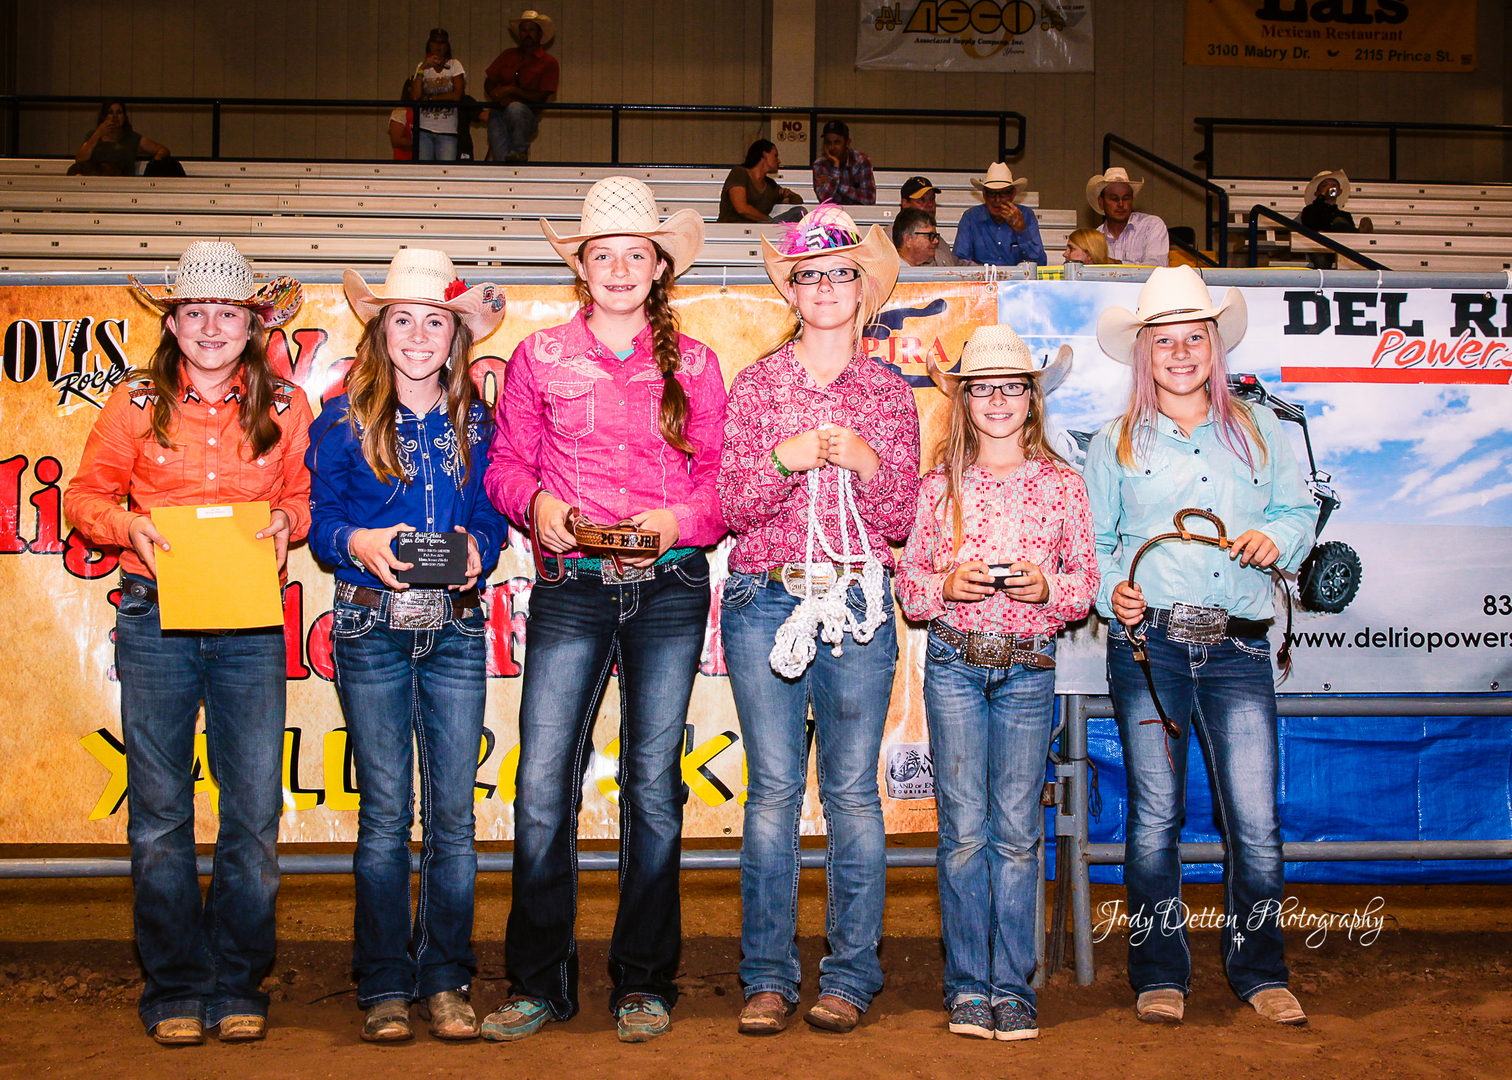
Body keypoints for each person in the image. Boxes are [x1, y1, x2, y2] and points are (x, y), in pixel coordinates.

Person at [482, 177, 727, 1045]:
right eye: (603, 255)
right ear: (580, 268)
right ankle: (540, 981)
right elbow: (506, 465)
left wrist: (676, 522)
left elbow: (717, 490)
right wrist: (536, 505)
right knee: (543, 781)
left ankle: (644, 981)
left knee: (653, 786)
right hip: (570, 585)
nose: (620, 268)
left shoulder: (694, 364)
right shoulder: (538, 359)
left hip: (668, 587)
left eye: (636, 255)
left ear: (659, 268)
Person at [63, 242, 311, 1046]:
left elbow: (303, 497)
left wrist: (286, 521)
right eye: (197, 311)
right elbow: (84, 496)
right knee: (161, 816)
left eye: (228, 313)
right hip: (152, 617)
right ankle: (174, 984)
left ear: (252, 324)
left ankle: (238, 981)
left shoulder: (287, 407)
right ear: (173, 321)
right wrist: (126, 523)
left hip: (247, 626)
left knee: (250, 815)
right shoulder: (134, 403)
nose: (212, 326)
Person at [1082, 266, 1318, 1028]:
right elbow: (1098, 543)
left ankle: (1260, 969)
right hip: (1147, 648)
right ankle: (1159, 972)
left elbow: (1298, 512)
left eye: (1193, 337)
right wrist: (1110, 592)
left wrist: (1273, 537)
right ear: (1143, 352)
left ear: (1213, 347)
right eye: (1165, 340)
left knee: (1254, 819)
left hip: (1238, 649)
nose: (1180, 352)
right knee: (1154, 819)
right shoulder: (1115, 442)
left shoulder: (1261, 429)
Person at [719, 206, 920, 1036]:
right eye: (812, 275)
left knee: (850, 796)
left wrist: (868, 463)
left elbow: (903, 514)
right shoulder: (759, 385)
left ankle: (849, 973)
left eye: (841, 273)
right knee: (771, 795)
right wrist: (783, 457)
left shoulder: (887, 390)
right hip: (768, 594)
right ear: (793, 290)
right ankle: (767, 975)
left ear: (864, 290)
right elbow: (735, 501)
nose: (828, 287)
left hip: (859, 600)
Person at [306, 249, 508, 1043]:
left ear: (454, 334)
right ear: (379, 329)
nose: (418, 335)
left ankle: (446, 979)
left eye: (434, 321)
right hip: (367, 624)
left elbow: (493, 515)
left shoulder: (478, 421)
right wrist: (359, 540)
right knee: (387, 815)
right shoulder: (340, 417)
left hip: (455, 624)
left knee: (453, 818)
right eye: (402, 319)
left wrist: (479, 549)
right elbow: (319, 522)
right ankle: (385, 983)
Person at [896, 324, 1097, 1042]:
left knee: (1015, 833)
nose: (998, 400)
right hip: (953, 660)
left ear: (1032, 399)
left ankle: (1011, 986)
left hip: (1028, 667)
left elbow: (1085, 588)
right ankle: (966, 987)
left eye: (1012, 387)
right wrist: (948, 582)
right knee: (963, 833)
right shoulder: (937, 486)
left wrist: (1047, 588)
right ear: (965, 399)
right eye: (983, 389)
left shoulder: (1062, 485)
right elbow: (912, 590)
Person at [485, 9, 560, 164]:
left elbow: (542, 96)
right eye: (523, 30)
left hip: (527, 115)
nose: (527, 33)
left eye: (531, 30)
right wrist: (498, 96)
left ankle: (519, 153)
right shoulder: (507, 54)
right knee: (500, 159)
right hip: (500, 111)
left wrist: (511, 90)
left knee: (516, 109)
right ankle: (505, 171)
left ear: (540, 34)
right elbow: (489, 81)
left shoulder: (549, 62)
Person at [953, 163, 1045, 267]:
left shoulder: (1026, 216)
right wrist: (984, 272)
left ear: (1013, 194)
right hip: (982, 280)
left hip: (1017, 282)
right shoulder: (971, 218)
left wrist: (1021, 231)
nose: (997, 200)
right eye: (991, 193)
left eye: (1003, 193)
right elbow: (959, 261)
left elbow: (1040, 263)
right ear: (984, 194)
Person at [1087, 167, 1169, 267]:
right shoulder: (1095, 238)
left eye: (1126, 199)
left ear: (1132, 201)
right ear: (1101, 203)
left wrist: (1118, 264)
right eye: (1114, 199)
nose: (1121, 204)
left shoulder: (1152, 225)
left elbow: (1157, 267)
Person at [408, 28, 465, 161]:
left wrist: (430, 98)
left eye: (442, 42)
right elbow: (415, 97)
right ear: (429, 45)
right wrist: (422, 69)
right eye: (435, 41)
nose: (438, 45)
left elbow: (457, 95)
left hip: (447, 131)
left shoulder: (454, 65)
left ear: (447, 46)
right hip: (423, 129)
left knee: (445, 172)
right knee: (424, 173)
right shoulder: (421, 66)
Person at [70, 100, 170, 176]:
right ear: (104, 117)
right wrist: (97, 135)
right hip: (97, 183)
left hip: (122, 183)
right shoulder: (93, 136)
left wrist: (158, 158)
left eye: (119, 112)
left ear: (124, 117)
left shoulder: (132, 137)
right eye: (110, 112)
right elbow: (80, 160)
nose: (115, 116)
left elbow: (163, 149)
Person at [719, 139, 805, 223]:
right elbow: (741, 208)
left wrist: (790, 194)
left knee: (800, 211)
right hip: (732, 228)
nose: (779, 161)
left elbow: (798, 201)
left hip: (760, 229)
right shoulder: (740, 173)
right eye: (775, 155)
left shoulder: (771, 185)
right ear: (765, 155)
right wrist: (768, 220)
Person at [1298, 170, 1363, 269]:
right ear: (1317, 193)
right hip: (1321, 248)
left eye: (1334, 185)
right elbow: (1310, 221)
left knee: (1339, 221)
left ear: (1339, 191)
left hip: (1342, 247)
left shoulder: (1344, 215)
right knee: (1321, 258)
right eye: (1325, 185)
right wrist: (1321, 198)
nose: (1330, 188)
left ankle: (1359, 233)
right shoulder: (1310, 210)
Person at [900, 176, 965, 265]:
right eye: (922, 199)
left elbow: (959, 265)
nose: (930, 204)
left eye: (932, 199)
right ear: (905, 204)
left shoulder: (940, 243)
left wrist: (985, 270)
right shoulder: (887, 240)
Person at [811, 120, 875, 206]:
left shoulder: (861, 161)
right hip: (832, 215)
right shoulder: (819, 164)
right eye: (828, 143)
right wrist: (836, 166)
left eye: (837, 142)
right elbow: (824, 199)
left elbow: (869, 199)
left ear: (847, 143)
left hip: (859, 214)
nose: (832, 147)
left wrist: (835, 183)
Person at [893, 207, 960, 268]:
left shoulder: (925, 270)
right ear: (908, 240)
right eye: (930, 236)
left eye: (935, 236)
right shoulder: (889, 274)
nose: (936, 241)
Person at [388, 82, 415, 161]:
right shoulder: (400, 112)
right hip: (404, 162)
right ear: (410, 89)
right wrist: (424, 143)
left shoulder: (429, 114)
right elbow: (397, 140)